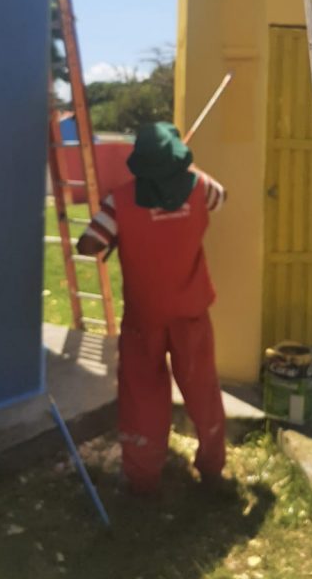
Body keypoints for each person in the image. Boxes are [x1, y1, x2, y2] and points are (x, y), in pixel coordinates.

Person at [77, 121, 228, 495]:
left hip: (144, 317)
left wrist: (119, 229)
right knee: (202, 389)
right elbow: (221, 197)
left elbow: (89, 245)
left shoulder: (120, 200)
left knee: (142, 392)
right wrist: (187, 171)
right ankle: (211, 467)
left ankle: (143, 478)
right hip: (191, 312)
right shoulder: (201, 187)